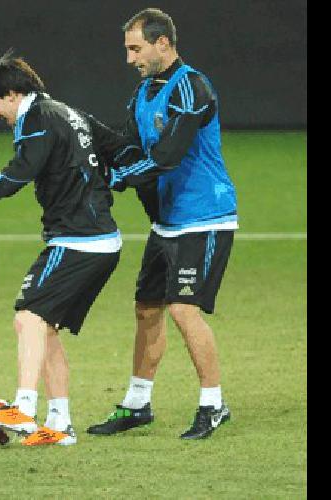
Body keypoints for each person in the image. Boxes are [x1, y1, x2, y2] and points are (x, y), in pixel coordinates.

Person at [0, 51, 123, 446]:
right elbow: (118, 148)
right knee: (45, 328)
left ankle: (22, 409)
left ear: (11, 93)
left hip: (79, 240)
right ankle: (60, 425)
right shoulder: (68, 112)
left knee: (28, 317)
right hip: (99, 239)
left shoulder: (35, 120)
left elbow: (17, 174)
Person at [85, 7, 238, 440]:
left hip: (204, 217)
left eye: (136, 48)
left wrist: (118, 177)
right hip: (168, 222)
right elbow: (130, 146)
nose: (130, 58)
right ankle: (137, 403)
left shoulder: (192, 87)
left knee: (183, 309)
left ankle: (213, 404)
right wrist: (83, 130)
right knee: (147, 308)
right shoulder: (143, 94)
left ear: (163, 43)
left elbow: (166, 156)